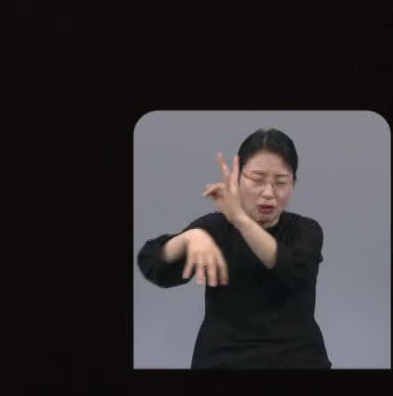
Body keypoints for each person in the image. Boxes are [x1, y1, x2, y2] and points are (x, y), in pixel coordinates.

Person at [136, 127, 330, 368]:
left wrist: (239, 218)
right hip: (223, 358)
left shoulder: (307, 230)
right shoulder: (214, 229)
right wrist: (188, 238)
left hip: (297, 357)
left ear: (294, 183)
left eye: (281, 182)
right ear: (237, 179)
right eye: (257, 180)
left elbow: (291, 270)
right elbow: (153, 265)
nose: (269, 193)